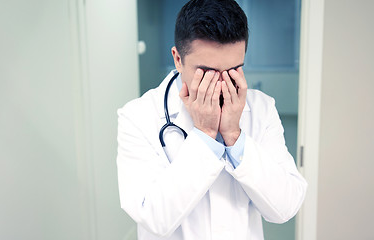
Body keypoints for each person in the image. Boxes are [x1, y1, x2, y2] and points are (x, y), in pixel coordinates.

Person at [116, 0, 307, 239]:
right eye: (206, 72)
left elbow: (285, 208)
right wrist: (205, 134)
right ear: (178, 59)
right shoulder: (138, 116)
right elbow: (153, 218)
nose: (220, 85)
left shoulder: (262, 109)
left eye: (233, 70)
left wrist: (235, 138)